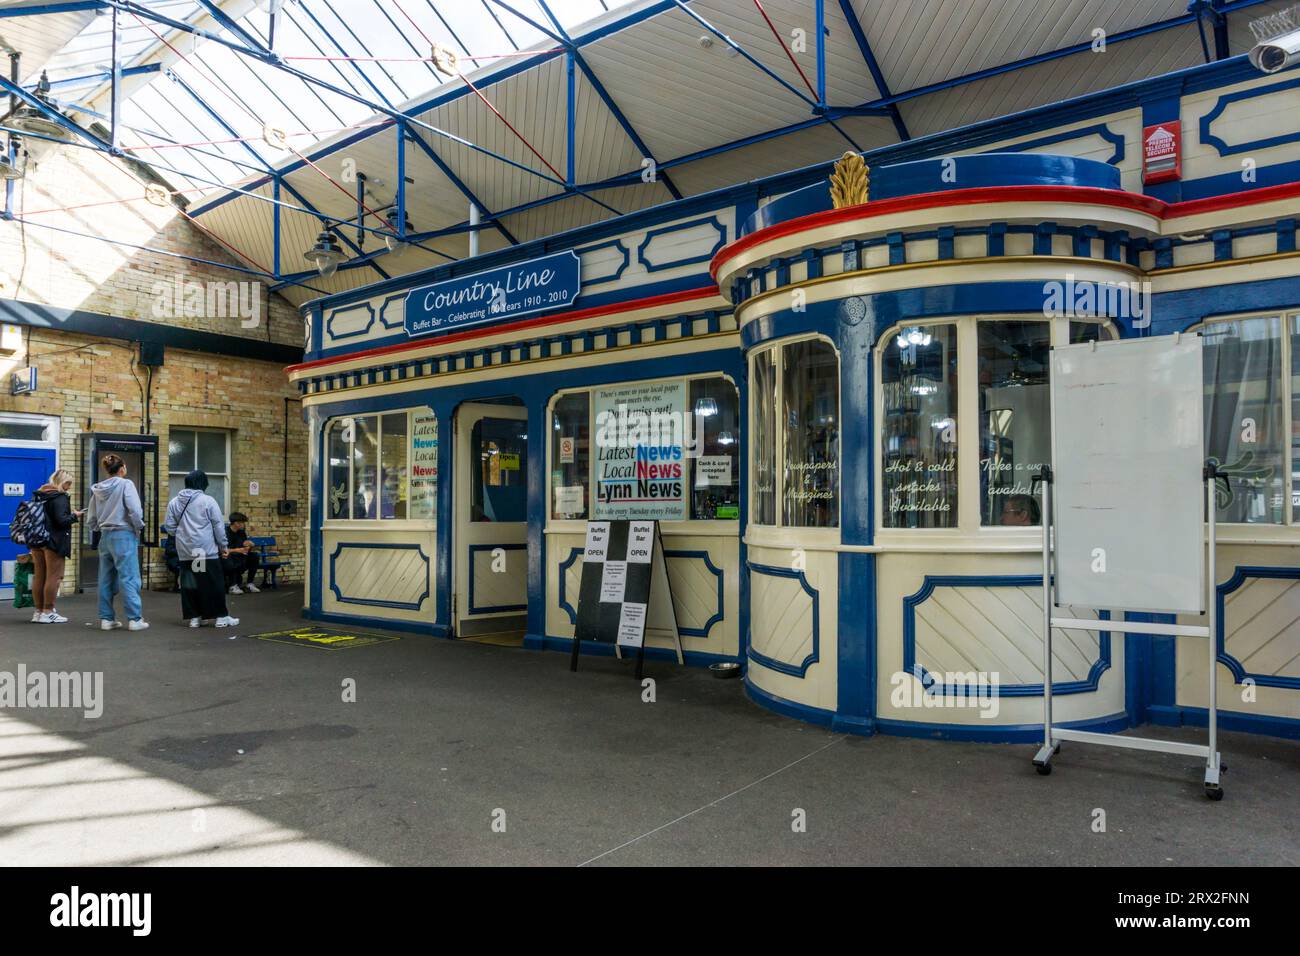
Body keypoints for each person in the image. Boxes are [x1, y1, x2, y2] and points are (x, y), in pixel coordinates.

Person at [163, 470, 239, 628]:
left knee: (191, 583)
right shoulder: (207, 500)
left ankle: (195, 617)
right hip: (204, 550)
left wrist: (185, 534)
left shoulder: (174, 502)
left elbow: (169, 528)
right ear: (202, 483)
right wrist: (223, 546)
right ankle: (220, 617)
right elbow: (218, 526)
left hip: (185, 550)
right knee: (213, 582)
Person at [87, 454, 149, 632]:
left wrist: (97, 528)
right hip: (124, 534)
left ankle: (107, 619)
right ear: (122, 469)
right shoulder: (126, 484)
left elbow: (91, 518)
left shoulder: (98, 489)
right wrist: (139, 527)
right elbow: (135, 510)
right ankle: (134, 619)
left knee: (106, 578)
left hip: (105, 536)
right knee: (129, 577)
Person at [30, 469, 82, 624]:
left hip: (37, 540)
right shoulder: (59, 497)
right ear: (61, 482)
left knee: (40, 576)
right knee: (54, 577)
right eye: (68, 483)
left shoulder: (39, 494)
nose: (69, 487)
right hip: (54, 541)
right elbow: (61, 521)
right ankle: (48, 611)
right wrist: (75, 516)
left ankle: (38, 612)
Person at [222, 512, 260, 594]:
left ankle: (249, 583)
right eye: (242, 522)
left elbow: (244, 546)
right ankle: (233, 586)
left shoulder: (241, 532)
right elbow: (223, 550)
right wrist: (238, 550)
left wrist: (249, 545)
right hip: (227, 557)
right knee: (233, 557)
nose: (244, 525)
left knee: (254, 556)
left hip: (240, 556)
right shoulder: (225, 532)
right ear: (236, 523)